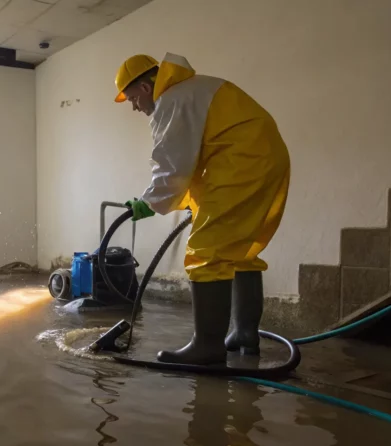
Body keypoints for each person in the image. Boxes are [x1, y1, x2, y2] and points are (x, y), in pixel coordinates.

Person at [115, 53, 290, 365]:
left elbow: (174, 167)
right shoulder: (195, 89)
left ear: (144, 87)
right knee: (239, 251)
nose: (134, 107)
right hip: (263, 157)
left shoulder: (172, 99)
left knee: (205, 251)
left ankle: (207, 346)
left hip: (242, 162)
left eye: (131, 99)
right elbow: (195, 159)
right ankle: (244, 334)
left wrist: (148, 202)